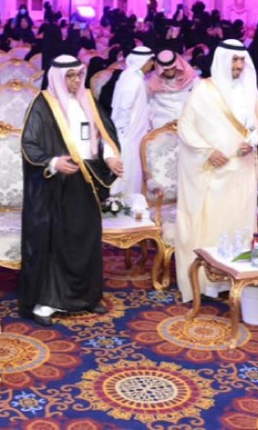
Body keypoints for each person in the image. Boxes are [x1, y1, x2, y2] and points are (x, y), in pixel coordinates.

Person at [19, 55, 123, 325]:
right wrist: (53, 162)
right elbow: (29, 144)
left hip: (86, 180)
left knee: (85, 238)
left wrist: (110, 156)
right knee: (56, 241)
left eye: (78, 75)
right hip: (55, 184)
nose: (76, 81)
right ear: (57, 77)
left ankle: (87, 297)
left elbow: (103, 134)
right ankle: (47, 303)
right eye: (70, 76)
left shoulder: (88, 99)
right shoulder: (43, 104)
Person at [174, 39, 258, 301]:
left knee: (238, 223)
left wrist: (252, 141)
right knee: (212, 226)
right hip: (212, 173)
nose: (239, 66)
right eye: (234, 60)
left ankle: (234, 279)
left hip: (242, 170)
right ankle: (207, 282)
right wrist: (206, 151)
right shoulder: (204, 90)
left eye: (242, 60)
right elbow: (186, 126)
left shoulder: (250, 89)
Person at [110, 46, 155, 196]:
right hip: (128, 134)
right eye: (150, 60)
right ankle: (123, 203)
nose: (152, 64)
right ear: (143, 61)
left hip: (134, 132)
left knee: (134, 170)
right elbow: (124, 108)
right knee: (128, 171)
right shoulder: (133, 80)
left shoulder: (133, 77)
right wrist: (123, 133)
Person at [148, 49, 197, 129]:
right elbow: (150, 105)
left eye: (172, 68)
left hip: (187, 118)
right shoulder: (152, 81)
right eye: (166, 70)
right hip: (163, 121)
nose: (170, 72)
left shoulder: (190, 76)